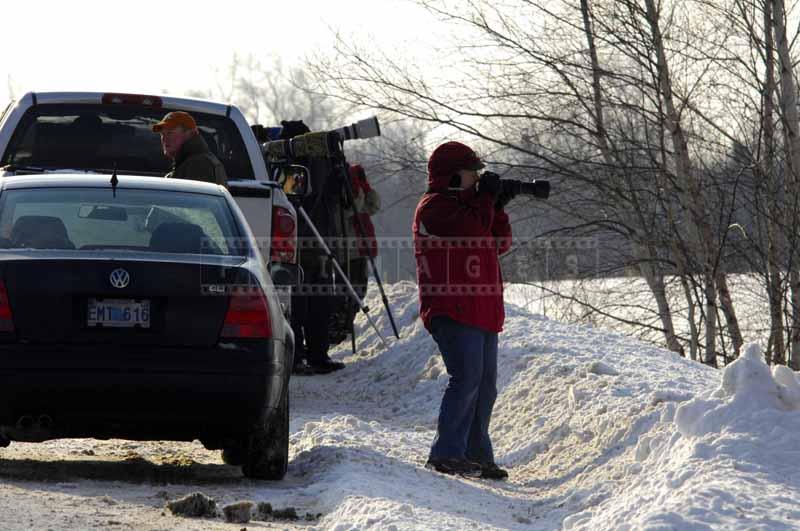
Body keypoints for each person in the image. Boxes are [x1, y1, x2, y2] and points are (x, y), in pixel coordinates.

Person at [413, 141, 514, 480]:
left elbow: (499, 242)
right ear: (453, 175)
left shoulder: (471, 207)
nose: (476, 178)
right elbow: (471, 231)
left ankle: (476, 455)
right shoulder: (434, 207)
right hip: (452, 308)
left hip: (481, 308)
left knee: (484, 386)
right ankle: (446, 453)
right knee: (466, 378)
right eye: (472, 172)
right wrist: (486, 200)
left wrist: (498, 206)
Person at [152, 111, 227, 186]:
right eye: (162, 134)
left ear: (191, 134)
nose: (164, 138)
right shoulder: (190, 161)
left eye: (170, 133)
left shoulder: (198, 164)